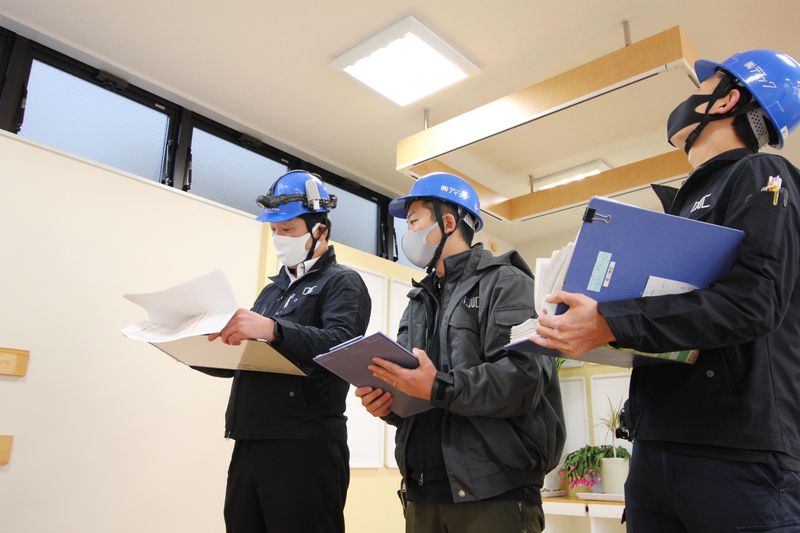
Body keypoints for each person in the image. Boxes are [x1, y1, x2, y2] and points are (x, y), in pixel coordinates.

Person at [532, 50, 800, 532]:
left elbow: (753, 301)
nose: (690, 99)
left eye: (702, 88)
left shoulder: (761, 174)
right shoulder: (685, 204)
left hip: (737, 454)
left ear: (727, 100)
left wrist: (611, 321)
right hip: (658, 445)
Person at [356, 172, 566, 533]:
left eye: (414, 221)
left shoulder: (507, 283)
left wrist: (437, 386)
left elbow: (524, 378)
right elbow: (420, 392)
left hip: (494, 496)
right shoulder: (418, 302)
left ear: (448, 223)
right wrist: (389, 403)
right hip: (421, 494)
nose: (407, 233)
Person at [195, 170, 371, 533]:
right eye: (274, 230)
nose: (278, 238)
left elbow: (341, 346)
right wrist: (196, 347)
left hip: (305, 446)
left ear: (320, 230)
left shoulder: (342, 282)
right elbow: (248, 360)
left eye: (288, 229)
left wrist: (273, 329)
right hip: (250, 439)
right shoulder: (271, 292)